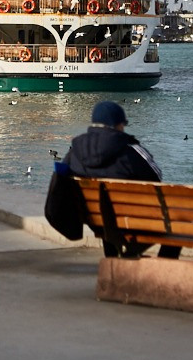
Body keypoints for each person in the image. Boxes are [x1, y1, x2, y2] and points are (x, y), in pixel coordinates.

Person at [45, 101, 179, 258]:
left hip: (97, 222)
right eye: (123, 124)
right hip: (133, 222)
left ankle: (114, 260)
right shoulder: (130, 150)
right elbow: (156, 177)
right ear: (117, 125)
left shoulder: (74, 151)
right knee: (178, 225)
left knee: (106, 212)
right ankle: (161, 267)